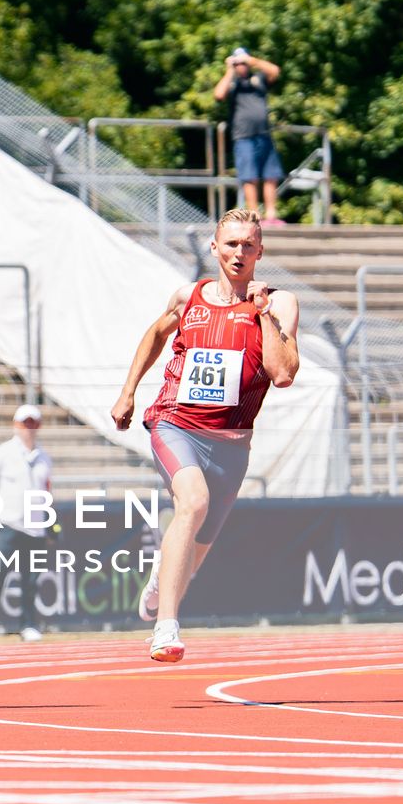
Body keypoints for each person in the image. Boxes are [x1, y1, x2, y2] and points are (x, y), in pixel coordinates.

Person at [110, 208, 299, 664]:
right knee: (192, 502)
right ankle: (166, 629)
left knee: (197, 549)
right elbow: (155, 334)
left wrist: (264, 315)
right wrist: (128, 392)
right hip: (175, 423)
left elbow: (283, 373)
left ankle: (162, 578)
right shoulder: (188, 296)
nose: (239, 253)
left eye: (248, 245)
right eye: (230, 244)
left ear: (260, 251)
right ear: (215, 248)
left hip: (232, 444)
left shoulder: (280, 302)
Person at [0, 404, 53, 643]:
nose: (29, 428)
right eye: (25, 423)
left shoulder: (44, 457)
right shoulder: (3, 452)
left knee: (31, 579)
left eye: (33, 423)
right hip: (8, 524)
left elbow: (47, 489)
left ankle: (28, 625)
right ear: (16, 425)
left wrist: (48, 523)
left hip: (35, 528)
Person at [213, 47, 286, 225]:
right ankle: (253, 216)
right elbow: (218, 94)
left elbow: (275, 71)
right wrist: (230, 69)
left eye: (243, 63)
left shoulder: (258, 78)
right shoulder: (232, 82)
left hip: (263, 135)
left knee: (271, 175)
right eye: (238, 63)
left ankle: (271, 215)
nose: (242, 66)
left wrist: (252, 60)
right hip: (243, 136)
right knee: (249, 177)